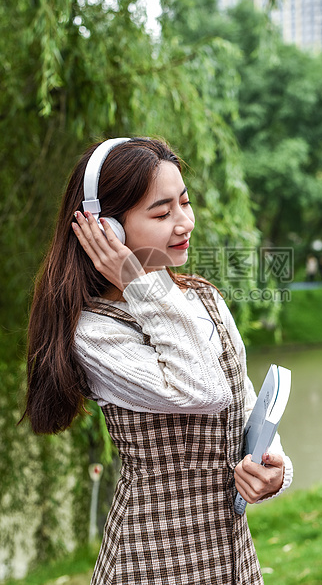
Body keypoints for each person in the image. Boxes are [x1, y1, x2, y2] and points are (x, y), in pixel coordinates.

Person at [22, 137, 293, 585]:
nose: (184, 222)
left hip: (232, 559)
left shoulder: (202, 297)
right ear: (107, 227)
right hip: (152, 560)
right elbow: (202, 391)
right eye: (162, 213)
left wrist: (273, 467)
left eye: (185, 203)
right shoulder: (94, 333)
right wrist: (135, 278)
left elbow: (242, 400)